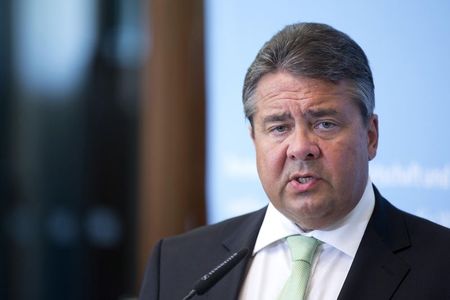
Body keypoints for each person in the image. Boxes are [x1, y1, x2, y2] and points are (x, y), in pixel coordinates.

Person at [139, 22, 450, 300]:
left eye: (324, 123)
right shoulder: (178, 264)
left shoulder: (441, 267)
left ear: (370, 136)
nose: (300, 148)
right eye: (279, 128)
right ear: (254, 140)